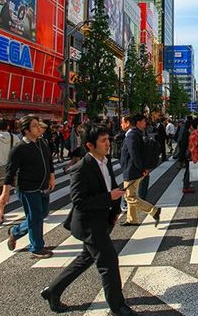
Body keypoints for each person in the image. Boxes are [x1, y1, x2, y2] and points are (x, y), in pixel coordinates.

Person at [41, 125, 137, 316]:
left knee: (85, 258)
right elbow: (79, 201)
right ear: (89, 145)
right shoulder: (81, 168)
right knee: (108, 263)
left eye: (108, 139)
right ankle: (118, 307)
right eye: (103, 141)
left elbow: (111, 185)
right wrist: (108, 198)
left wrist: (115, 209)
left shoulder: (106, 161)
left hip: (103, 219)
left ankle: (53, 290)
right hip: (89, 223)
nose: (108, 144)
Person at [3, 115, 55, 259]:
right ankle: (37, 248)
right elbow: (10, 171)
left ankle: (15, 231)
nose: (39, 128)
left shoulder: (41, 142)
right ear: (26, 130)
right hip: (28, 188)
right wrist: (5, 192)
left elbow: (48, 160)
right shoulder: (19, 148)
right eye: (34, 126)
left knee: (42, 214)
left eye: (38, 125)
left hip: (43, 186)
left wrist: (52, 176)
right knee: (36, 218)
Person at [120, 114, 161, 227]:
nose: (121, 124)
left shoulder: (131, 135)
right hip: (133, 169)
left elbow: (134, 154)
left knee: (129, 196)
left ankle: (154, 210)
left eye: (122, 122)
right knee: (131, 194)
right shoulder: (135, 133)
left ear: (128, 123)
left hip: (132, 170)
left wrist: (141, 168)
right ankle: (131, 219)